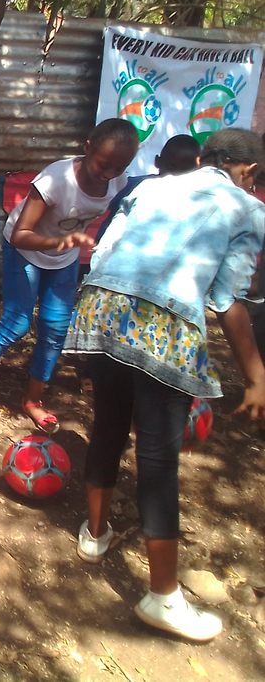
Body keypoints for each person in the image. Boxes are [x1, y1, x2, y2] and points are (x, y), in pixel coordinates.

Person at [65, 128, 265, 643]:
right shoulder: (248, 210)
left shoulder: (151, 187)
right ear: (249, 171)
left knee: (108, 424)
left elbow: (103, 253)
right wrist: (256, 375)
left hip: (101, 308)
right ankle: (163, 597)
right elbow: (227, 300)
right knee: (158, 460)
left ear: (202, 160)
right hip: (164, 325)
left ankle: (94, 535)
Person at [0, 118, 139, 432]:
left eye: (119, 167)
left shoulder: (118, 181)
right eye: (103, 164)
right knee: (16, 323)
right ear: (87, 147)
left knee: (56, 326)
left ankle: (33, 400)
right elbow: (21, 234)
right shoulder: (56, 180)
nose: (108, 173)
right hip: (25, 250)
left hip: (64, 256)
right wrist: (58, 242)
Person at [94, 133, 200, 242]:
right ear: (197, 169)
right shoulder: (196, 200)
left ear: (157, 161)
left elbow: (106, 207)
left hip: (113, 246)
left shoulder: (132, 185)